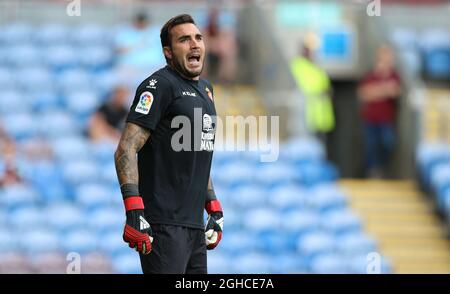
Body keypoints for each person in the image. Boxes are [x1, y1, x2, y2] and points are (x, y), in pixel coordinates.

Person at [114, 14, 223, 274]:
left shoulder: (206, 90)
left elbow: (197, 151)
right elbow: (126, 148)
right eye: (184, 40)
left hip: (194, 227)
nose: (195, 44)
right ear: (168, 52)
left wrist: (214, 208)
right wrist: (133, 210)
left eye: (198, 38)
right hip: (163, 226)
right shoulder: (159, 86)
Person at [358, 45, 402, 178]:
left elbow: (396, 91)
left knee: (387, 143)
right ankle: (373, 172)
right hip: (370, 118)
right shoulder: (370, 75)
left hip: (386, 119)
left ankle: (383, 169)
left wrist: (375, 91)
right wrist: (384, 89)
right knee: (370, 147)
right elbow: (364, 94)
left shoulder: (394, 75)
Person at [290, 40, 335, 149]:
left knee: (319, 150)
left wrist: (326, 92)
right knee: (307, 149)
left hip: (320, 117)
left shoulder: (316, 68)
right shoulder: (298, 65)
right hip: (306, 116)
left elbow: (326, 88)